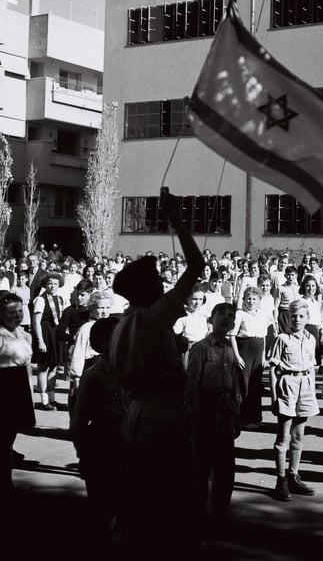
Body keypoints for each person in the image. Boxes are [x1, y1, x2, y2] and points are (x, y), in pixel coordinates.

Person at [109, 188, 204, 557]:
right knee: (173, 497)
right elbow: (196, 266)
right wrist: (176, 219)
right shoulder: (150, 318)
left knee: (142, 492)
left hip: (138, 412)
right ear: (149, 290)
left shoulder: (125, 322)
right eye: (161, 284)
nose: (167, 287)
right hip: (161, 415)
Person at [185, 303, 242, 523]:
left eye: (230, 317)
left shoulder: (229, 348)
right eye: (222, 315)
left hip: (225, 408)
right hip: (205, 408)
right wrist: (193, 410)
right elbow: (191, 381)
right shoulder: (201, 348)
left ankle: (220, 511)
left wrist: (236, 413)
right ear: (212, 319)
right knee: (202, 463)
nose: (226, 319)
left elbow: (233, 382)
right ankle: (197, 511)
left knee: (226, 464)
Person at [69, 317, 125, 536]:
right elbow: (79, 420)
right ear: (101, 343)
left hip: (129, 441)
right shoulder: (93, 376)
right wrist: (83, 454)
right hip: (103, 442)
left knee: (127, 503)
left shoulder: (133, 369)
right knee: (102, 505)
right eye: (116, 337)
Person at [269, 299, 319, 501]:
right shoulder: (282, 339)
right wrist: (274, 396)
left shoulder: (311, 339)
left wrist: (312, 392)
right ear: (287, 318)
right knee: (283, 437)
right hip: (287, 385)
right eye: (293, 316)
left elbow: (312, 368)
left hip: (305, 386)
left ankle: (293, 475)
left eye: (301, 316)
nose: (297, 320)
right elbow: (273, 369)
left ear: (307, 318)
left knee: (299, 436)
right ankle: (280, 480)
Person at [0, 293, 35, 498]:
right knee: (3, 441)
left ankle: (6, 480)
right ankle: (5, 484)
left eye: (20, 311)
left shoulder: (23, 333)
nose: (18, 315)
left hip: (18, 385)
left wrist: (29, 391)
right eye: (11, 312)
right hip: (3, 386)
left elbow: (27, 366)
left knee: (9, 439)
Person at [229, 287, 268, 428]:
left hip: (259, 350)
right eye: (248, 299)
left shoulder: (262, 314)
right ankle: (244, 420)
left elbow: (263, 336)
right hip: (244, 349)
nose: (251, 302)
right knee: (244, 385)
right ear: (244, 300)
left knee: (255, 385)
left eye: (254, 299)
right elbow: (232, 335)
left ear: (259, 301)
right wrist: (237, 356)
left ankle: (256, 417)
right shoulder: (240, 314)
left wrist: (263, 357)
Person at [31, 273, 65, 410]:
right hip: (44, 334)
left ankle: (52, 398)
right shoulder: (41, 299)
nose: (52, 286)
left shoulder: (60, 299)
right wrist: (40, 341)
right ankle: (44, 400)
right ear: (45, 284)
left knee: (54, 367)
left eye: (56, 284)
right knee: (43, 367)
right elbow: (36, 322)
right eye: (50, 283)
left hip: (55, 334)